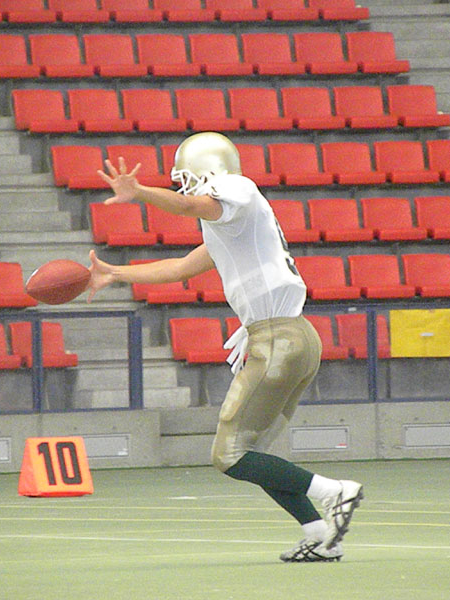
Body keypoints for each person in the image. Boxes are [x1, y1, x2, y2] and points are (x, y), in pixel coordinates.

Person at [87, 132, 363, 563]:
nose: (184, 188)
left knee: (229, 456)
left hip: (279, 339)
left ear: (208, 170)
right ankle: (320, 535)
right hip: (293, 336)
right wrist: (116, 274)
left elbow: (188, 206)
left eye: (186, 178)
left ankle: (334, 492)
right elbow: (180, 268)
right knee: (252, 452)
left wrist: (139, 192)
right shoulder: (232, 224)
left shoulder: (237, 188)